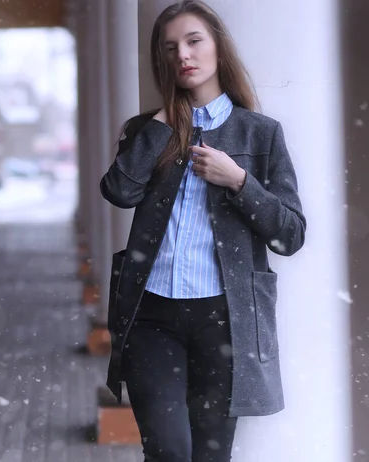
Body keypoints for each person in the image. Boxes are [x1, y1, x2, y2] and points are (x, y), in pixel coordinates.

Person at [100, 1, 306, 461]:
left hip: (225, 320)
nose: (183, 55)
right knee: (169, 450)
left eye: (194, 41)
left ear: (218, 48)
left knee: (211, 455)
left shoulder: (260, 135)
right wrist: (160, 126)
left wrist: (238, 181)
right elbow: (118, 191)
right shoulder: (148, 130)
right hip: (152, 317)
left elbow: (289, 235)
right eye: (170, 47)